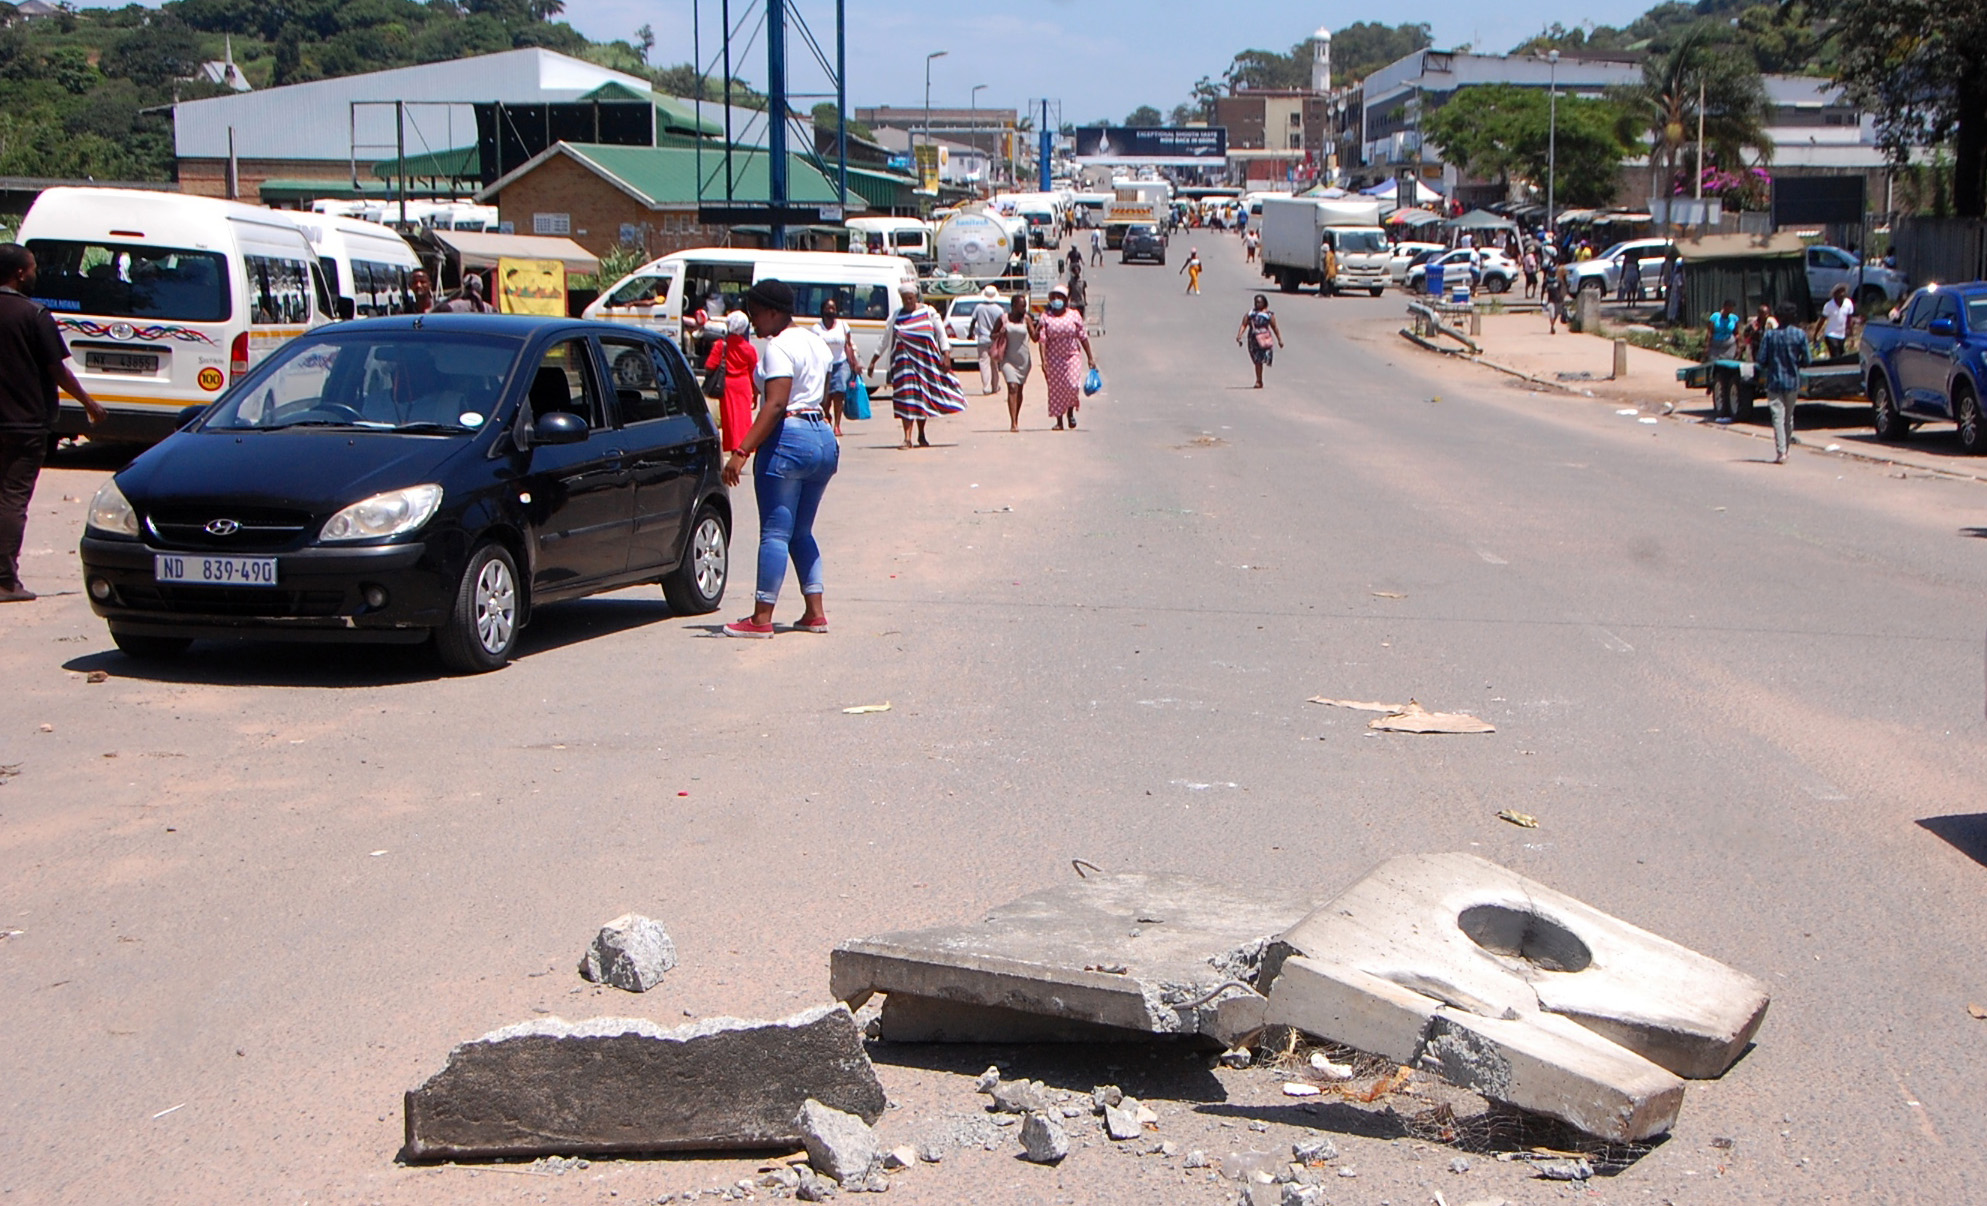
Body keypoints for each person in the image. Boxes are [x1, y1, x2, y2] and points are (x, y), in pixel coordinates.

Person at [721, 279, 836, 638]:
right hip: (822, 437)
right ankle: (814, 612)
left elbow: (775, 403)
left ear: (774, 312)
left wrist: (741, 451)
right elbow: (825, 390)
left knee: (774, 532)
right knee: (801, 531)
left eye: (756, 314)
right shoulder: (816, 343)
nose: (754, 323)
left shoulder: (778, 347)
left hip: (789, 437)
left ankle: (760, 618)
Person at [0, 244, 104, 603]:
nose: (35, 274)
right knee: (12, 499)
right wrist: (89, 403)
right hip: (23, 424)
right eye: (32, 269)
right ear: (18, 274)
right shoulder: (34, 314)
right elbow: (56, 369)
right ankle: (4, 580)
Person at [867, 281, 965, 449]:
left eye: (910, 298)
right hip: (903, 366)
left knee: (922, 399)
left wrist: (946, 354)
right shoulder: (896, 316)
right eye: (905, 299)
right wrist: (873, 361)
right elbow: (884, 339)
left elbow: (941, 334)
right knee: (906, 399)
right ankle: (907, 438)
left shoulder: (928, 313)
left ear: (916, 297)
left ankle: (921, 433)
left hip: (925, 365)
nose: (908, 302)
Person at [1034, 282, 1095, 431]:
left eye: (1060, 297)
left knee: (1072, 385)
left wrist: (1090, 358)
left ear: (1066, 299)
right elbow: (1042, 341)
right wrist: (1044, 361)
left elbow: (1083, 336)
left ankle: (1070, 412)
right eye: (1055, 297)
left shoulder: (1074, 315)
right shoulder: (1045, 317)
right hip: (1054, 357)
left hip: (1071, 355)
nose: (1057, 300)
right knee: (1056, 389)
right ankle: (1059, 420)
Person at [1756, 301, 1810, 464]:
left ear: (1777, 318)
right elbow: (1807, 360)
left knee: (1777, 417)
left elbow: (1761, 360)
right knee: (1789, 417)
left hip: (1774, 381)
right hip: (1792, 381)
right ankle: (1786, 448)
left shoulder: (1770, 335)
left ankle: (1781, 452)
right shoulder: (1800, 335)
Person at [705, 311, 758, 453]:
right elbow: (754, 373)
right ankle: (744, 447)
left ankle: (734, 446)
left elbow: (710, 365)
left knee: (730, 419)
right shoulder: (749, 349)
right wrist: (755, 393)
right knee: (743, 418)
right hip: (744, 385)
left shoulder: (720, 345)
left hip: (727, 385)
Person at [815, 296, 858, 435]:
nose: (831, 311)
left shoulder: (843, 325)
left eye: (833, 308)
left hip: (841, 363)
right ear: (823, 311)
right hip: (824, 366)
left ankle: (837, 425)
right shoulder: (817, 328)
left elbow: (848, 344)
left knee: (839, 391)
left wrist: (854, 363)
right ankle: (827, 415)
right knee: (826, 396)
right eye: (828, 308)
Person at [996, 292, 1035, 432]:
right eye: (1020, 306)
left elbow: (1035, 338)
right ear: (1013, 306)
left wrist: (1041, 326)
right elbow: (992, 335)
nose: (1023, 309)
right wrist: (999, 334)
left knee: (1019, 390)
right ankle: (1013, 423)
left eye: (1024, 306)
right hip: (1008, 359)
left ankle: (1016, 416)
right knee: (1012, 387)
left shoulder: (1027, 320)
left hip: (1023, 360)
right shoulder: (1003, 319)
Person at [1235, 294, 1284, 389]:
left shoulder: (1269, 315)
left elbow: (1275, 328)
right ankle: (1259, 380)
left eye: (1259, 302)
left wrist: (1279, 340)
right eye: (1256, 302)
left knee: (1260, 360)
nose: (1257, 304)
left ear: (1264, 303)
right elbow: (1244, 324)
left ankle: (1259, 380)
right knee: (1256, 360)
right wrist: (1239, 335)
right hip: (1253, 340)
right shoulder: (1250, 313)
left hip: (1264, 339)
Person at [969, 284, 1005, 395]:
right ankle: (995, 386)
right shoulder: (999, 310)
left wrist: (971, 333)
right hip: (994, 340)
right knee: (994, 364)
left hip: (982, 339)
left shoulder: (979, 307)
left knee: (983, 363)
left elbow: (973, 321)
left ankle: (986, 387)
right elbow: (1003, 325)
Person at [1815, 284, 1856, 358]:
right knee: (1835, 352)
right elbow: (1822, 320)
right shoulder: (1829, 305)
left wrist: (1851, 336)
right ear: (1834, 295)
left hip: (1842, 335)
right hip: (1831, 334)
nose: (1841, 294)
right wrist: (1816, 334)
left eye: (1843, 292)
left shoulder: (1848, 303)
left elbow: (1849, 321)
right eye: (1839, 292)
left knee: (1841, 354)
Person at [1543, 264, 1567, 335]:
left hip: (1558, 301)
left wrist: (1562, 299)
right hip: (1551, 300)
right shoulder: (1547, 281)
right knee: (1552, 314)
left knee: (1556, 315)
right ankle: (1552, 326)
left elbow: (1562, 291)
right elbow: (1542, 290)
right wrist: (1541, 300)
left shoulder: (1558, 281)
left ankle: (1552, 325)